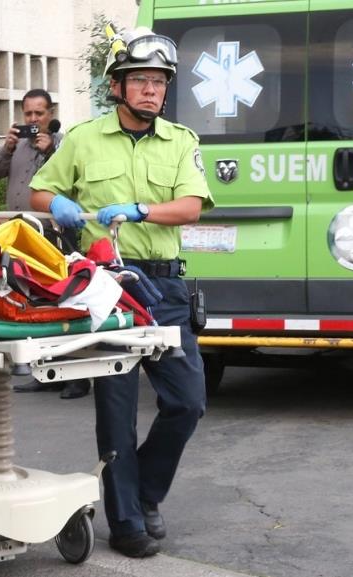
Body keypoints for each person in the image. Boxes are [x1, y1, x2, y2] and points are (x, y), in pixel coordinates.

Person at [29, 26, 213, 558]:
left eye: (159, 82)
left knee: (187, 402)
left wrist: (140, 211)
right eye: (141, 81)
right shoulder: (84, 139)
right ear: (117, 86)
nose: (151, 91)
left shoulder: (182, 141)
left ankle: (146, 492)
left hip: (165, 286)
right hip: (104, 286)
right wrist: (55, 205)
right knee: (116, 409)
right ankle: (127, 518)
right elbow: (44, 190)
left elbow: (192, 207)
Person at [0, 89, 89, 398]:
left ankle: (76, 376)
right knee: (31, 299)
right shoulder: (19, 145)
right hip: (20, 231)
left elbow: (69, 182)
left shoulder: (64, 145)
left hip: (52, 231)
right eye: (27, 114)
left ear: (51, 114)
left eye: (38, 114)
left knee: (62, 299)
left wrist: (51, 150)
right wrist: (7, 148)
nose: (32, 120)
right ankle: (45, 372)